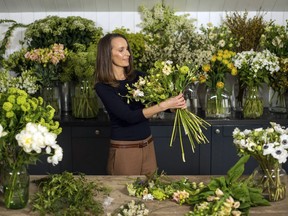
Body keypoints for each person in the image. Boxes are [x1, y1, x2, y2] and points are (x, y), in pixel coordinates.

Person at [94, 33, 187, 175]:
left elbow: (156, 102)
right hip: (125, 151)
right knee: (124, 195)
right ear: (107, 54)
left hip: (148, 145)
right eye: (121, 50)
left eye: (127, 49)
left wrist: (175, 106)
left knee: (152, 194)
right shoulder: (103, 86)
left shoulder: (138, 76)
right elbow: (128, 116)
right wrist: (164, 105)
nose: (127, 54)